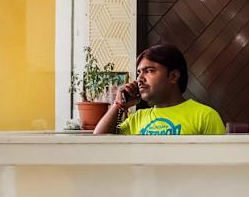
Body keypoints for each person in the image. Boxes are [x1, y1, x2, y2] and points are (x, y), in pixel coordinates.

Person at [93, 44, 226, 135]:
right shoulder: (138, 118)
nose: (139, 79)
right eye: (139, 72)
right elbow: (99, 142)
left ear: (174, 76)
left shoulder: (205, 116)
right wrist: (119, 105)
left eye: (149, 71)